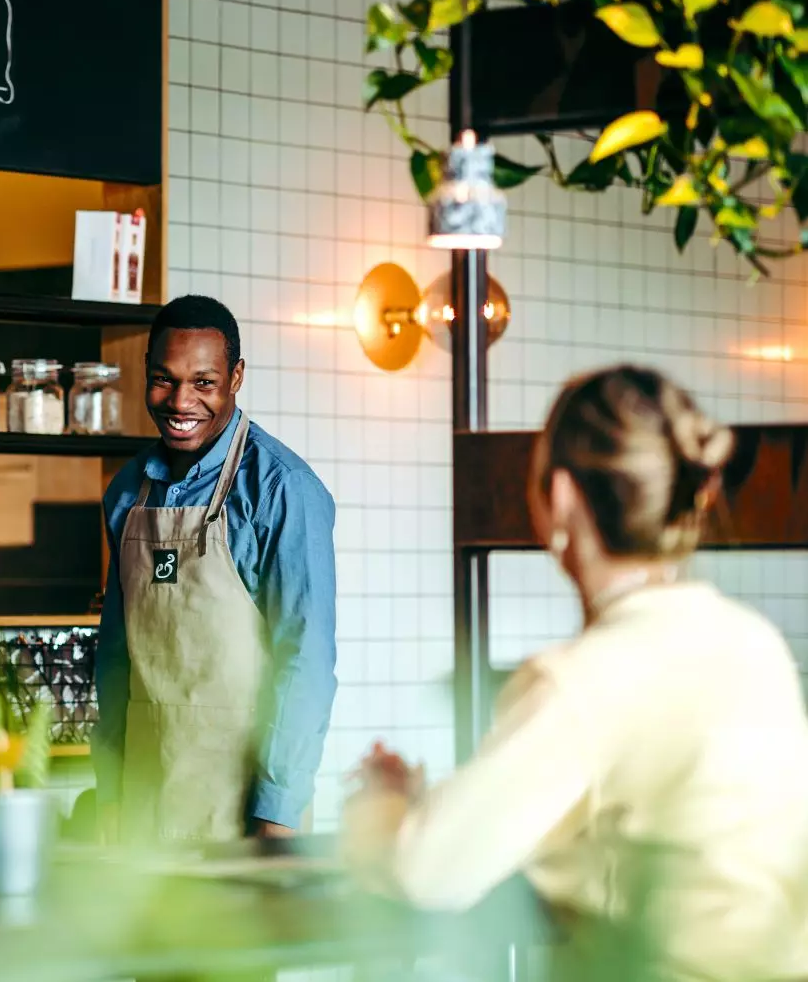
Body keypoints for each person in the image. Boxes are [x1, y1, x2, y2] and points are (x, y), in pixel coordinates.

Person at [344, 366, 808, 981]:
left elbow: (426, 870)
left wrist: (382, 807)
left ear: (558, 498)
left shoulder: (582, 681)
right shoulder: (756, 643)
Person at [94, 294, 337, 843]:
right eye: (164, 379)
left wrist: (277, 812)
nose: (181, 400)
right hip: (141, 804)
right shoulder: (127, 492)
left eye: (203, 382)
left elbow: (306, 660)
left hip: (242, 813)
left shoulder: (281, 490)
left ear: (236, 377)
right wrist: (108, 786)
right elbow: (114, 655)